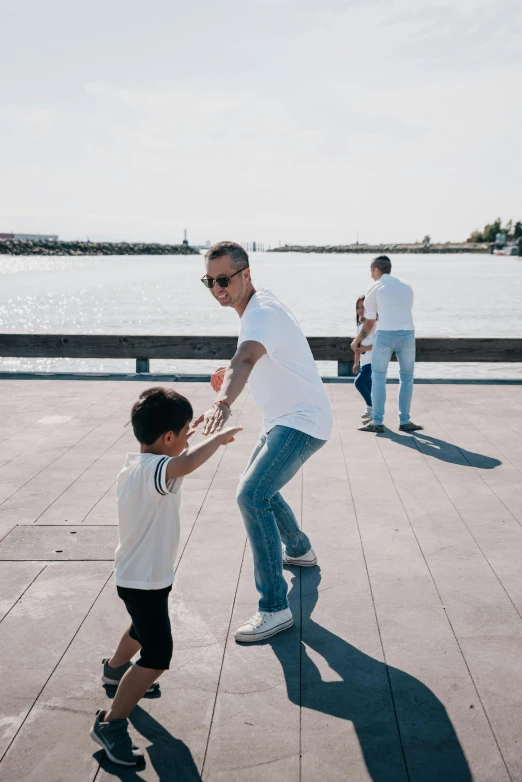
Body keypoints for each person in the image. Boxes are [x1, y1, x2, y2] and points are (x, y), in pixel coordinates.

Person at [91, 387, 242, 766]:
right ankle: (111, 723)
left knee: (142, 629)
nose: (189, 437)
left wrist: (185, 436)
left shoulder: (136, 465)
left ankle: (114, 672)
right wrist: (217, 440)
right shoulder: (161, 470)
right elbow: (184, 464)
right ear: (169, 437)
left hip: (139, 576)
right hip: (144, 579)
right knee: (158, 655)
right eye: (184, 431)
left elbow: (174, 456)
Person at [200, 241, 332, 644]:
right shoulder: (259, 307)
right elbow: (253, 356)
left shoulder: (261, 314)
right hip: (285, 418)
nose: (217, 288)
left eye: (224, 279)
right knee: (262, 490)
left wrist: (224, 399)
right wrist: (230, 370)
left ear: (245, 274)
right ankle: (300, 549)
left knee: (251, 494)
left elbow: (246, 358)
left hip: (301, 421)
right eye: (209, 281)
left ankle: (274, 608)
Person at [351, 255, 423, 433]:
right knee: (407, 377)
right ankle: (405, 420)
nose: (371, 275)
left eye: (371, 271)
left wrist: (357, 339)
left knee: (378, 378)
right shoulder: (406, 286)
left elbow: (369, 322)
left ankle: (377, 421)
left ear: (376, 270)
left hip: (385, 334)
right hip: (407, 333)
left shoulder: (374, 288)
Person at [353, 295, 375, 426]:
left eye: (363, 307)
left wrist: (364, 348)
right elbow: (357, 347)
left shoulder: (373, 325)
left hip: (373, 361)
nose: (360, 310)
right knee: (370, 387)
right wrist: (356, 362)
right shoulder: (360, 326)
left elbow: (378, 345)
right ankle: (374, 414)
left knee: (359, 383)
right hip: (364, 362)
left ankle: (370, 407)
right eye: (358, 308)